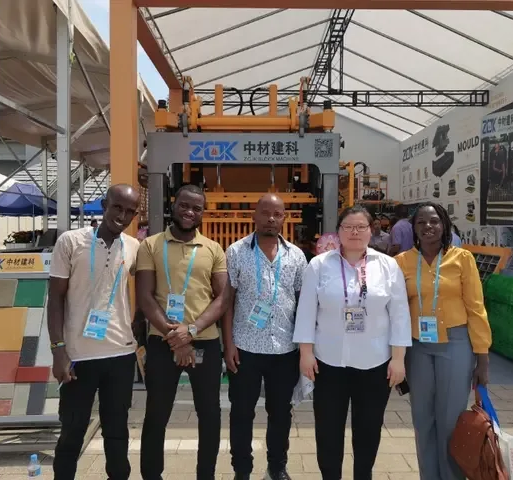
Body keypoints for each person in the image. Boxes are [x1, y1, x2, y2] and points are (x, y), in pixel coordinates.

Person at [294, 205, 412, 480]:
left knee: (368, 430)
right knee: (328, 430)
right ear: (338, 232)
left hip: (375, 364)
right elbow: (307, 310)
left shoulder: (387, 266)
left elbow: (399, 314)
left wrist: (398, 359)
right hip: (328, 363)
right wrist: (305, 353)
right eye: (348, 227)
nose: (354, 232)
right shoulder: (319, 265)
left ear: (371, 231)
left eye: (361, 227)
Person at [48, 184, 141, 480]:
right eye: (117, 207)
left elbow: (148, 291)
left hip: (120, 355)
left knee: (117, 431)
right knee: (72, 430)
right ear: (104, 205)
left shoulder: (134, 247)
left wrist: (138, 331)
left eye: (130, 211)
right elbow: (55, 299)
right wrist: (58, 350)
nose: (122, 216)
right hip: (78, 356)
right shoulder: (70, 242)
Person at [136, 184, 228, 480]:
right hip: (163, 343)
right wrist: (176, 337)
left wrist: (192, 330)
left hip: (205, 343)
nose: (189, 212)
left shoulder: (213, 249)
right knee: (156, 413)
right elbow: (145, 297)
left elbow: (222, 299)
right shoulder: (150, 245)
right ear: (173, 206)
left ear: (203, 213)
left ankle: (206, 475)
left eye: (196, 208)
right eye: (184, 205)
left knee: (210, 414)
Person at [395, 202, 492, 480]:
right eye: (421, 222)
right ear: (413, 228)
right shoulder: (401, 262)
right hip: (417, 347)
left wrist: (482, 357)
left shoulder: (462, 258)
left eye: (434, 221)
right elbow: (395, 309)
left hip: (455, 343)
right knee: (422, 418)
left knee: (450, 419)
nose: (428, 226)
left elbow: (476, 307)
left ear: (445, 224)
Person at [223, 194, 308, 480]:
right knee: (241, 412)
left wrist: (304, 348)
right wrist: (228, 344)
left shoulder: (296, 256)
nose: (271, 218)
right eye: (265, 213)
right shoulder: (236, 252)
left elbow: (303, 303)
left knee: (281, 412)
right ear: (254, 216)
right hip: (245, 347)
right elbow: (227, 301)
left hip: (284, 349)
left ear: (284, 218)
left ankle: (277, 466)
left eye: (277, 214)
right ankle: (242, 469)